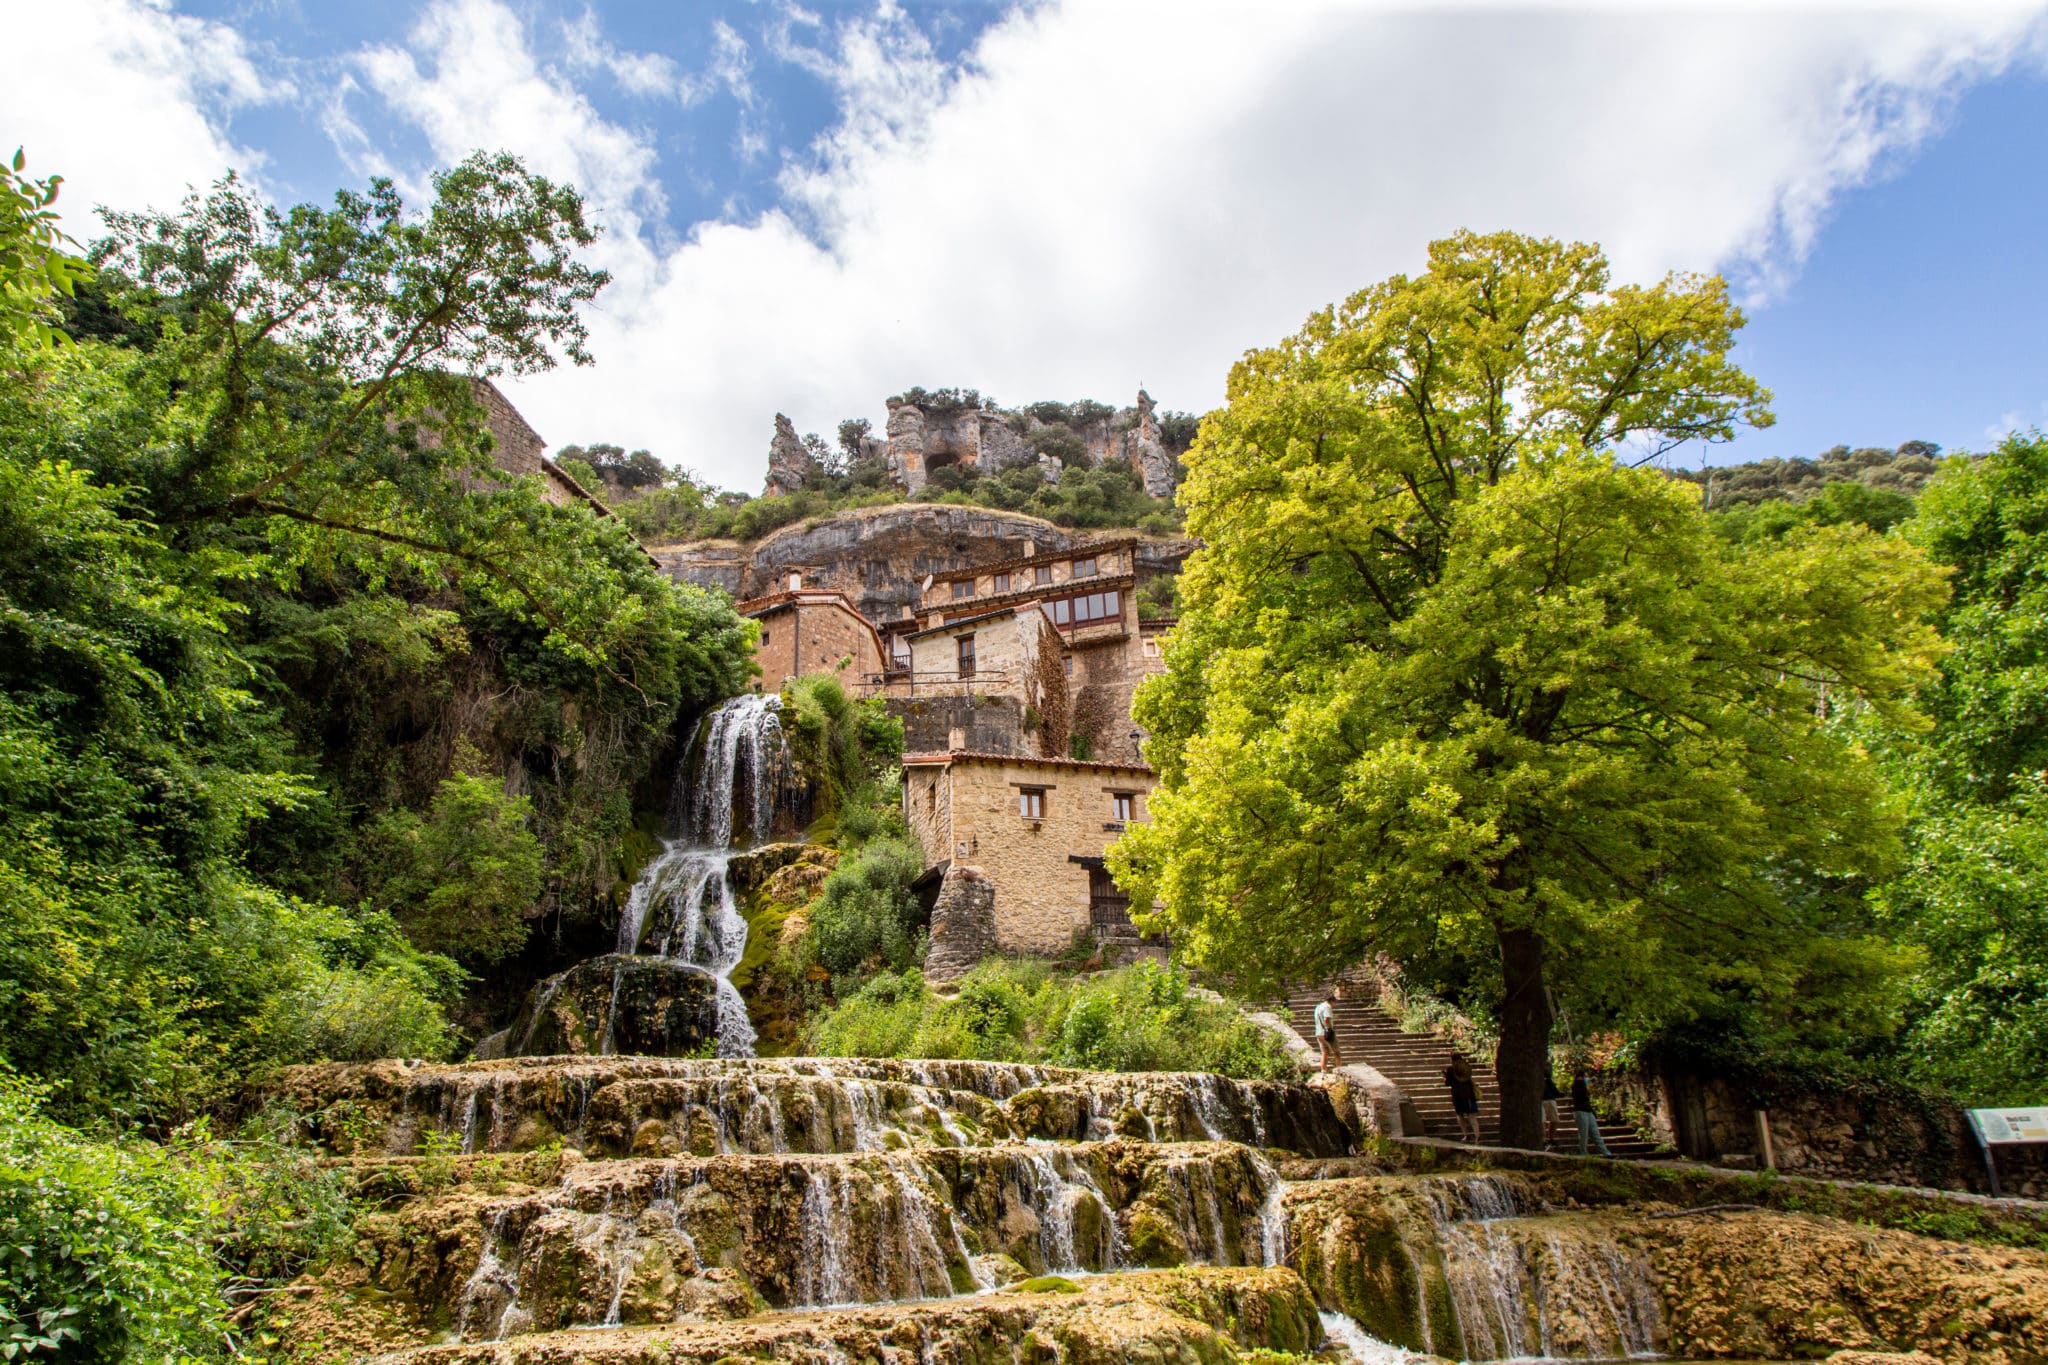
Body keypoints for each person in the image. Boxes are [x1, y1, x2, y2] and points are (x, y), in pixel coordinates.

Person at [1571, 1068, 1614, 1158]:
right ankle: (1583, 1153)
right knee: (1584, 1135)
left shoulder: (1583, 1085)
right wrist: (1582, 1082)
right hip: (1580, 1111)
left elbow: (1586, 1099)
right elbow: (1579, 1096)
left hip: (1588, 1111)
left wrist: (1592, 1112)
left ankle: (1606, 1153)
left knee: (1595, 1133)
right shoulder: (1576, 1086)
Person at [1443, 1054, 1482, 1143]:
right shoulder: (1465, 1067)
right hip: (1469, 1094)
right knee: (1472, 1115)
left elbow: (1448, 1083)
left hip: (1458, 1095)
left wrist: (1445, 1078)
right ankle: (1477, 1136)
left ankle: (1466, 1135)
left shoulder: (1451, 1069)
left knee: (1460, 1114)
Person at [1313, 988, 1343, 1073]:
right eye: (1335, 1001)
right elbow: (1326, 1019)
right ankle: (1339, 1070)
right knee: (1336, 1052)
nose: (1335, 1004)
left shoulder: (1318, 1007)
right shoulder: (1327, 1007)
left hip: (1318, 1032)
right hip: (1327, 1033)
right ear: (1332, 1000)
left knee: (1324, 1052)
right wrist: (1330, 1028)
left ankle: (1323, 1071)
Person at [1541, 1070, 1565, 1147]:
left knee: (1555, 1119)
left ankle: (1551, 1138)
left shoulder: (1547, 1078)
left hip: (1550, 1098)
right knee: (1542, 1121)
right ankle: (1543, 1140)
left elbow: (1551, 1084)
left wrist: (1557, 1093)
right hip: (1539, 1099)